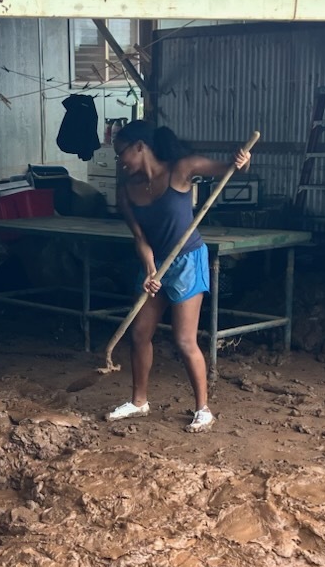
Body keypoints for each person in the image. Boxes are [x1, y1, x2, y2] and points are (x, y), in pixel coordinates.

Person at [106, 120, 251, 433]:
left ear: (140, 146)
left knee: (184, 339)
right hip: (154, 264)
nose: (121, 162)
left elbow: (227, 168)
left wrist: (239, 162)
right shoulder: (126, 192)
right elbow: (140, 236)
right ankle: (139, 401)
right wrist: (148, 269)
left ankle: (203, 409)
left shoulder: (181, 169)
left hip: (187, 260)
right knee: (140, 333)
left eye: (122, 154)